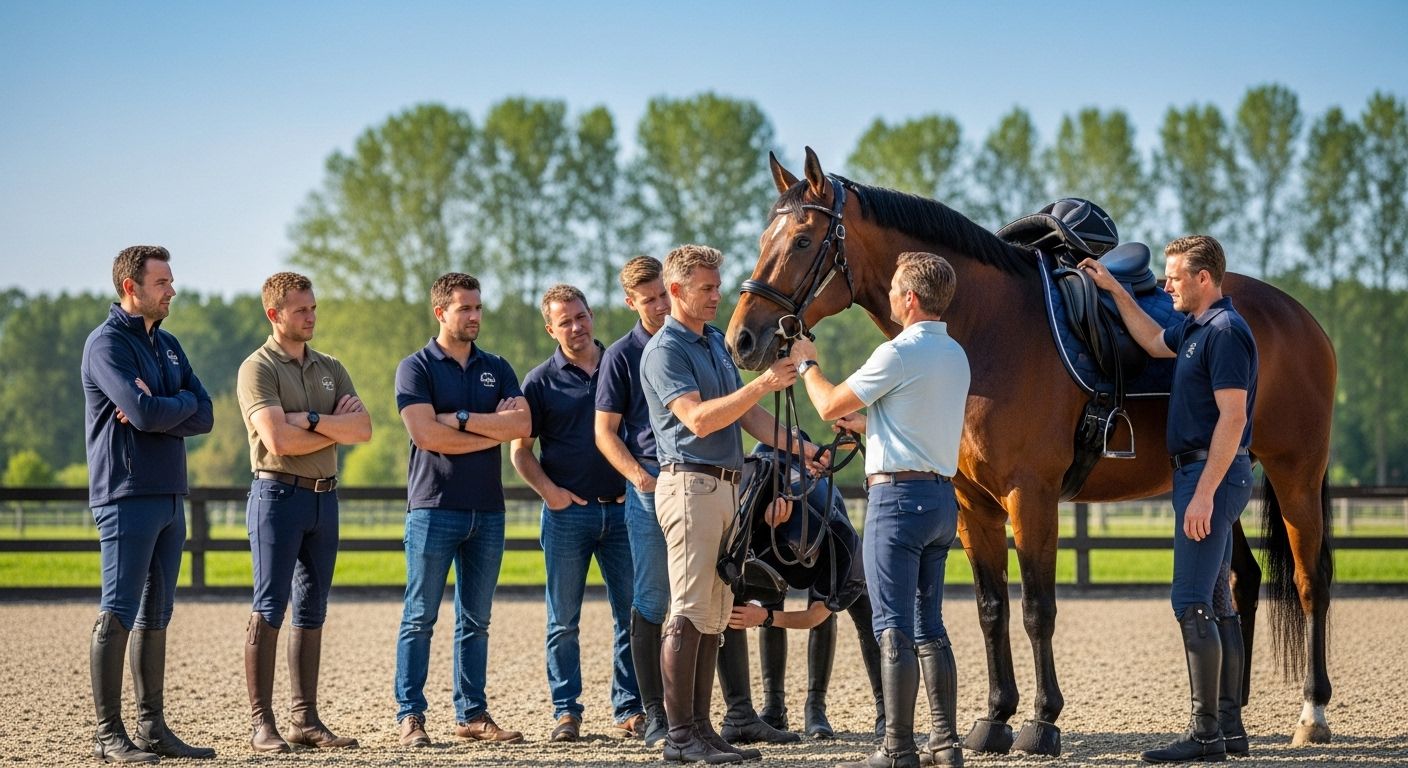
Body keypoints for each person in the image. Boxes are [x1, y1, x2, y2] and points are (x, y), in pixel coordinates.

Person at [640, 243, 824, 764]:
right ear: (676, 290)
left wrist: (804, 449)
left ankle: (700, 729)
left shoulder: (714, 342)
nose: (717, 296)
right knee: (690, 609)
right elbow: (698, 419)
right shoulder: (666, 351)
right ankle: (680, 737)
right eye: (706, 288)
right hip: (690, 485)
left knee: (714, 615)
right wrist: (764, 382)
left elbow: (745, 418)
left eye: (718, 287)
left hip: (725, 485)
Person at [790, 251, 971, 768]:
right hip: (939, 497)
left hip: (896, 503)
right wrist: (870, 427)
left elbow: (827, 404)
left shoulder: (896, 353)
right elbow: (917, 424)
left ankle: (897, 747)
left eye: (894, 289)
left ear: (910, 299)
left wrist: (808, 364)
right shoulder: (955, 355)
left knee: (890, 625)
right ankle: (945, 741)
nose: (889, 295)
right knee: (928, 624)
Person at [1081, 235, 1257, 763]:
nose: (1167, 283)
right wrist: (1114, 289)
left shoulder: (1225, 333)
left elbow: (1234, 417)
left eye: (1176, 276)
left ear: (1205, 279)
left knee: (1190, 601)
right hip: (1206, 473)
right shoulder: (1198, 329)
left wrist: (1204, 493)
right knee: (1219, 599)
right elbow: (1155, 339)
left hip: (1211, 473)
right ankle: (1229, 729)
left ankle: (1205, 736)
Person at [81, 245, 216, 763]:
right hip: (125, 493)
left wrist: (167, 407)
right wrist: (161, 408)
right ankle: (107, 734)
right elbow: (139, 411)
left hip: (168, 493)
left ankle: (153, 727)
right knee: (117, 609)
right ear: (130, 286)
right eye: (162, 282)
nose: (172, 290)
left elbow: (204, 414)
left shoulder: (171, 345)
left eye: (171, 280)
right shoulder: (105, 344)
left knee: (157, 613)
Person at [392, 272, 530, 747]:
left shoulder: (498, 366)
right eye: (464, 308)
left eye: (478, 307)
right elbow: (426, 436)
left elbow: (522, 426)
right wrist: (491, 429)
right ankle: (410, 715)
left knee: (476, 619)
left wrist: (465, 421)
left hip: (488, 511)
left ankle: (472, 714)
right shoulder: (416, 368)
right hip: (433, 507)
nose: (474, 316)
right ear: (441, 313)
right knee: (420, 616)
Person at [237, 272, 371, 753]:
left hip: (324, 497)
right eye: (301, 310)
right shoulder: (258, 368)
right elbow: (278, 440)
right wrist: (336, 426)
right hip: (276, 498)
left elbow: (364, 430)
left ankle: (305, 720)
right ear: (274, 314)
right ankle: (262, 724)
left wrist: (312, 420)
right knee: (270, 606)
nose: (311, 316)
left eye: (313, 307)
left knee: (313, 609)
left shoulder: (330, 365)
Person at [512, 284, 642, 742]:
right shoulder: (538, 381)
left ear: (592, 315)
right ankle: (566, 712)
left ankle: (629, 708)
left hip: (626, 513)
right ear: (551, 328)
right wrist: (551, 493)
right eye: (564, 320)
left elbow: (646, 431)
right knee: (563, 620)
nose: (576, 326)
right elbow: (521, 452)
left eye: (581, 316)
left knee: (632, 614)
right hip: (568, 516)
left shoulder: (623, 364)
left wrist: (636, 482)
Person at [726, 440, 887, 742]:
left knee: (860, 611)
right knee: (770, 599)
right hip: (771, 524)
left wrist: (764, 617)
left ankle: (837, 709)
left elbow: (817, 615)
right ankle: (773, 707)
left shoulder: (843, 548)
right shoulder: (754, 503)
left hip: (825, 530)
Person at [595, 255, 673, 746]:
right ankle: (652, 714)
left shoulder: (698, 340)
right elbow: (605, 432)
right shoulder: (621, 355)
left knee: (709, 596)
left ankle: (720, 712)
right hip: (650, 491)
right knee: (650, 598)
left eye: (666, 294)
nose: (662, 305)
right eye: (650, 300)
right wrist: (641, 480)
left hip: (701, 483)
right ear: (631, 302)